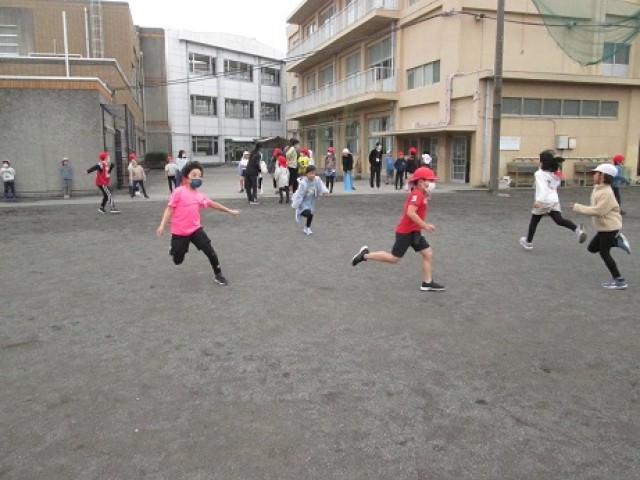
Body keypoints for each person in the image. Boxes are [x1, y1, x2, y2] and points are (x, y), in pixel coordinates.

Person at [351, 167, 445, 291]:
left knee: (427, 253)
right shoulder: (417, 194)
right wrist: (425, 225)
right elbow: (410, 212)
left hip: (414, 232)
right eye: (430, 180)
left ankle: (427, 283)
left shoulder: (420, 193)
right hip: (405, 232)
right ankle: (365, 255)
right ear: (421, 181)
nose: (432, 183)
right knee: (394, 259)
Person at [157, 161, 239, 287]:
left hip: (195, 230)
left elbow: (213, 204)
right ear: (187, 178)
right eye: (194, 175)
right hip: (180, 232)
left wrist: (230, 211)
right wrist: (162, 225)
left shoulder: (200, 195)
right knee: (178, 260)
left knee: (210, 251)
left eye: (200, 176)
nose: (198, 178)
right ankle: (174, 250)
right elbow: (169, 209)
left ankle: (218, 275)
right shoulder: (178, 192)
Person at [570, 163, 631, 290]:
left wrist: (578, 207)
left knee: (604, 253)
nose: (593, 175)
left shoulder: (607, 193)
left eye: (596, 173)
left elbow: (599, 211)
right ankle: (616, 241)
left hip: (609, 228)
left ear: (602, 176)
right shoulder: (598, 189)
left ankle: (619, 280)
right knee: (592, 248)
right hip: (603, 227)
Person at [519, 150, 586, 250]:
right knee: (559, 220)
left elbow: (543, 188)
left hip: (544, 201)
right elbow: (554, 184)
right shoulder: (554, 173)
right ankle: (577, 229)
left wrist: (538, 201)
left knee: (534, 221)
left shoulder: (539, 174)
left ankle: (528, 242)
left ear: (542, 162)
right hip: (554, 200)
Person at [292, 165, 329, 235]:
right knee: (308, 213)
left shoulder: (317, 180)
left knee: (311, 214)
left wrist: (325, 191)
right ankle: (299, 211)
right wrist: (295, 205)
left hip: (311, 200)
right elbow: (299, 195)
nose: (312, 175)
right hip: (302, 201)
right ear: (306, 174)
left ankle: (307, 228)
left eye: (313, 173)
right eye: (310, 173)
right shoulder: (303, 183)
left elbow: (321, 186)